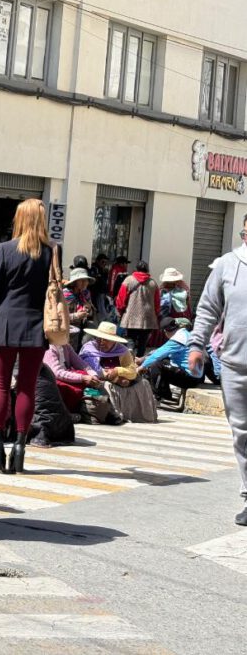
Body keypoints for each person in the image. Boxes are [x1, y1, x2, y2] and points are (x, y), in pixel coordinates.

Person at [0, 198, 53, 475]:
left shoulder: (6, 250)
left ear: (19, 219)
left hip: (5, 322)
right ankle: (20, 448)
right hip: (36, 324)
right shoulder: (51, 252)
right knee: (27, 387)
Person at [189, 217, 247, 525]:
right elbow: (208, 307)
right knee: (242, 433)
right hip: (235, 364)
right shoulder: (227, 265)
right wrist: (197, 345)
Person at [80, 321, 157, 423]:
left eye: (106, 340)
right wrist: (106, 374)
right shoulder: (89, 348)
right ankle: (110, 415)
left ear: (114, 341)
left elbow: (132, 371)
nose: (102, 342)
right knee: (106, 384)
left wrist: (117, 370)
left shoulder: (123, 351)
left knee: (143, 383)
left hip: (118, 376)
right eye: (99, 338)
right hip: (97, 378)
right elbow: (85, 366)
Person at [139, 317, 202, 400]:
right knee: (163, 362)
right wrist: (143, 359)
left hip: (190, 378)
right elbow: (160, 352)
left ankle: (158, 395)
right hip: (196, 376)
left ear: (165, 331)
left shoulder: (177, 339)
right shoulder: (185, 334)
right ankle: (166, 394)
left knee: (156, 364)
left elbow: (157, 355)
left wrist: (140, 367)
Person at [44, 341, 102, 418]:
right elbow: (57, 373)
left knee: (88, 379)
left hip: (66, 375)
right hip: (53, 379)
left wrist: (93, 374)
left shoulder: (66, 346)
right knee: (66, 387)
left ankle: (94, 407)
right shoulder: (49, 349)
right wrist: (82, 378)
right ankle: (66, 413)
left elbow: (81, 364)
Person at [116, 261, 160, 357]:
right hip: (148, 317)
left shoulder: (128, 280)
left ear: (136, 269)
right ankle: (139, 361)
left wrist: (120, 310)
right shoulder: (153, 283)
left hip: (131, 315)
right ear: (147, 270)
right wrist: (156, 314)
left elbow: (120, 298)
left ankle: (130, 353)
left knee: (130, 338)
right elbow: (157, 302)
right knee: (143, 341)